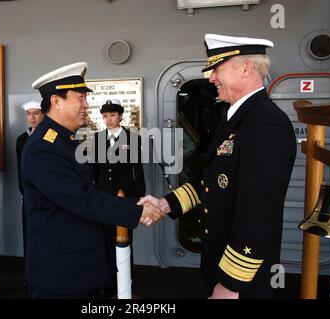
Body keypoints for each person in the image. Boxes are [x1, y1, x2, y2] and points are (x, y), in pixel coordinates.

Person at [139, 34, 297, 299]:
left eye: (217, 69)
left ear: (246, 68)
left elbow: (258, 213)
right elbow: (210, 181)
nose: (211, 77)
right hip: (218, 260)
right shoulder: (233, 119)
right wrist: (165, 204)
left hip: (242, 278)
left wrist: (231, 283)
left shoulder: (266, 124)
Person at [22, 62, 164, 299]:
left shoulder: (63, 140)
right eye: (80, 98)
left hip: (77, 263)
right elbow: (81, 199)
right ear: (56, 101)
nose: (86, 105)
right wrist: (136, 209)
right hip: (60, 272)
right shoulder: (43, 148)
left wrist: (138, 199)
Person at [90, 99, 146, 296]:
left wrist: (141, 198)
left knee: (125, 238)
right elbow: (93, 170)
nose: (108, 119)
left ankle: (126, 279)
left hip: (126, 195)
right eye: (105, 116)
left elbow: (137, 170)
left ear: (120, 116)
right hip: (104, 195)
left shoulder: (132, 138)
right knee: (105, 239)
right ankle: (108, 281)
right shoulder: (97, 139)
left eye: (112, 115)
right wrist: (92, 194)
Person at [15, 100, 44, 285]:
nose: (32, 117)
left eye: (36, 113)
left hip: (48, 194)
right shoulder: (22, 139)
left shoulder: (51, 136)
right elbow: (20, 168)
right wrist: (23, 191)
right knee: (30, 233)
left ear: (44, 115)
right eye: (29, 114)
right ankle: (31, 274)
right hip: (29, 194)